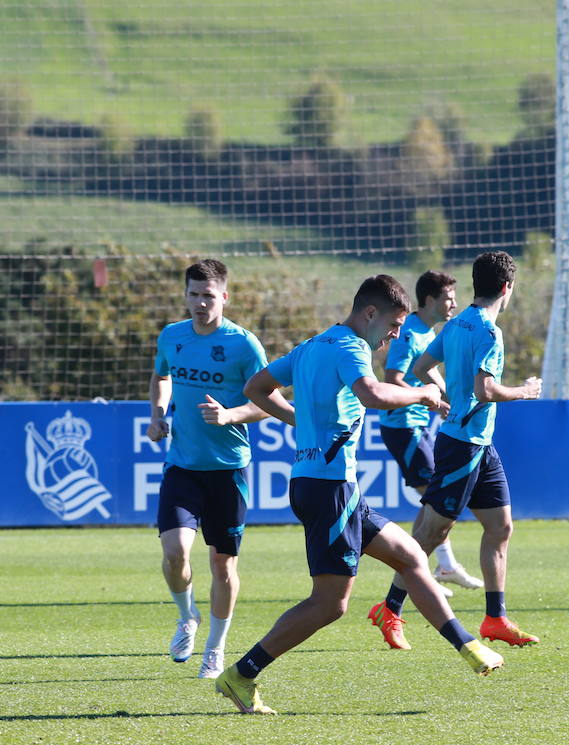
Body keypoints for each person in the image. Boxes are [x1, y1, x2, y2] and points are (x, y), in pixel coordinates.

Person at [214, 274, 504, 715]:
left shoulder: (313, 345)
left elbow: (255, 389)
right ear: (371, 313)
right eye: (393, 325)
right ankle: (241, 673)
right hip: (329, 488)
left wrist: (299, 422)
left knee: (410, 555)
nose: (394, 335)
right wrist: (421, 391)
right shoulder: (350, 347)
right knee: (329, 604)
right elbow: (370, 395)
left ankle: (468, 647)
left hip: (328, 485)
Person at [398, 250, 543, 648]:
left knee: (500, 527)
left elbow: (421, 367)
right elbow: (486, 389)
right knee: (432, 531)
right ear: (507, 288)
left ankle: (495, 617)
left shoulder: (458, 323)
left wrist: (448, 396)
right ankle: (391, 608)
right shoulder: (489, 332)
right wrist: (525, 392)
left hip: (478, 442)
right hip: (463, 445)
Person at [147, 259, 269, 679]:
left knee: (222, 565)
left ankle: (215, 649)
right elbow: (161, 376)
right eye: (194, 295)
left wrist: (231, 415)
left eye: (209, 296)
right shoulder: (172, 336)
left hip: (228, 470)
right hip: (182, 465)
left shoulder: (244, 344)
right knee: (174, 551)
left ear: (224, 297)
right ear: (185, 296)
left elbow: (266, 402)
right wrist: (159, 414)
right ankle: (187, 616)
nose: (201, 303)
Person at [367, 270, 481, 650]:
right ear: (430, 300)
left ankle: (432, 565)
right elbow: (394, 375)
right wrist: (430, 399)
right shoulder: (411, 330)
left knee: (433, 500)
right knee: (434, 498)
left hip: (420, 424)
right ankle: (439, 565)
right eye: (449, 296)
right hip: (403, 426)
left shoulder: (429, 333)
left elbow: (427, 372)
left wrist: (446, 395)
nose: (453, 302)